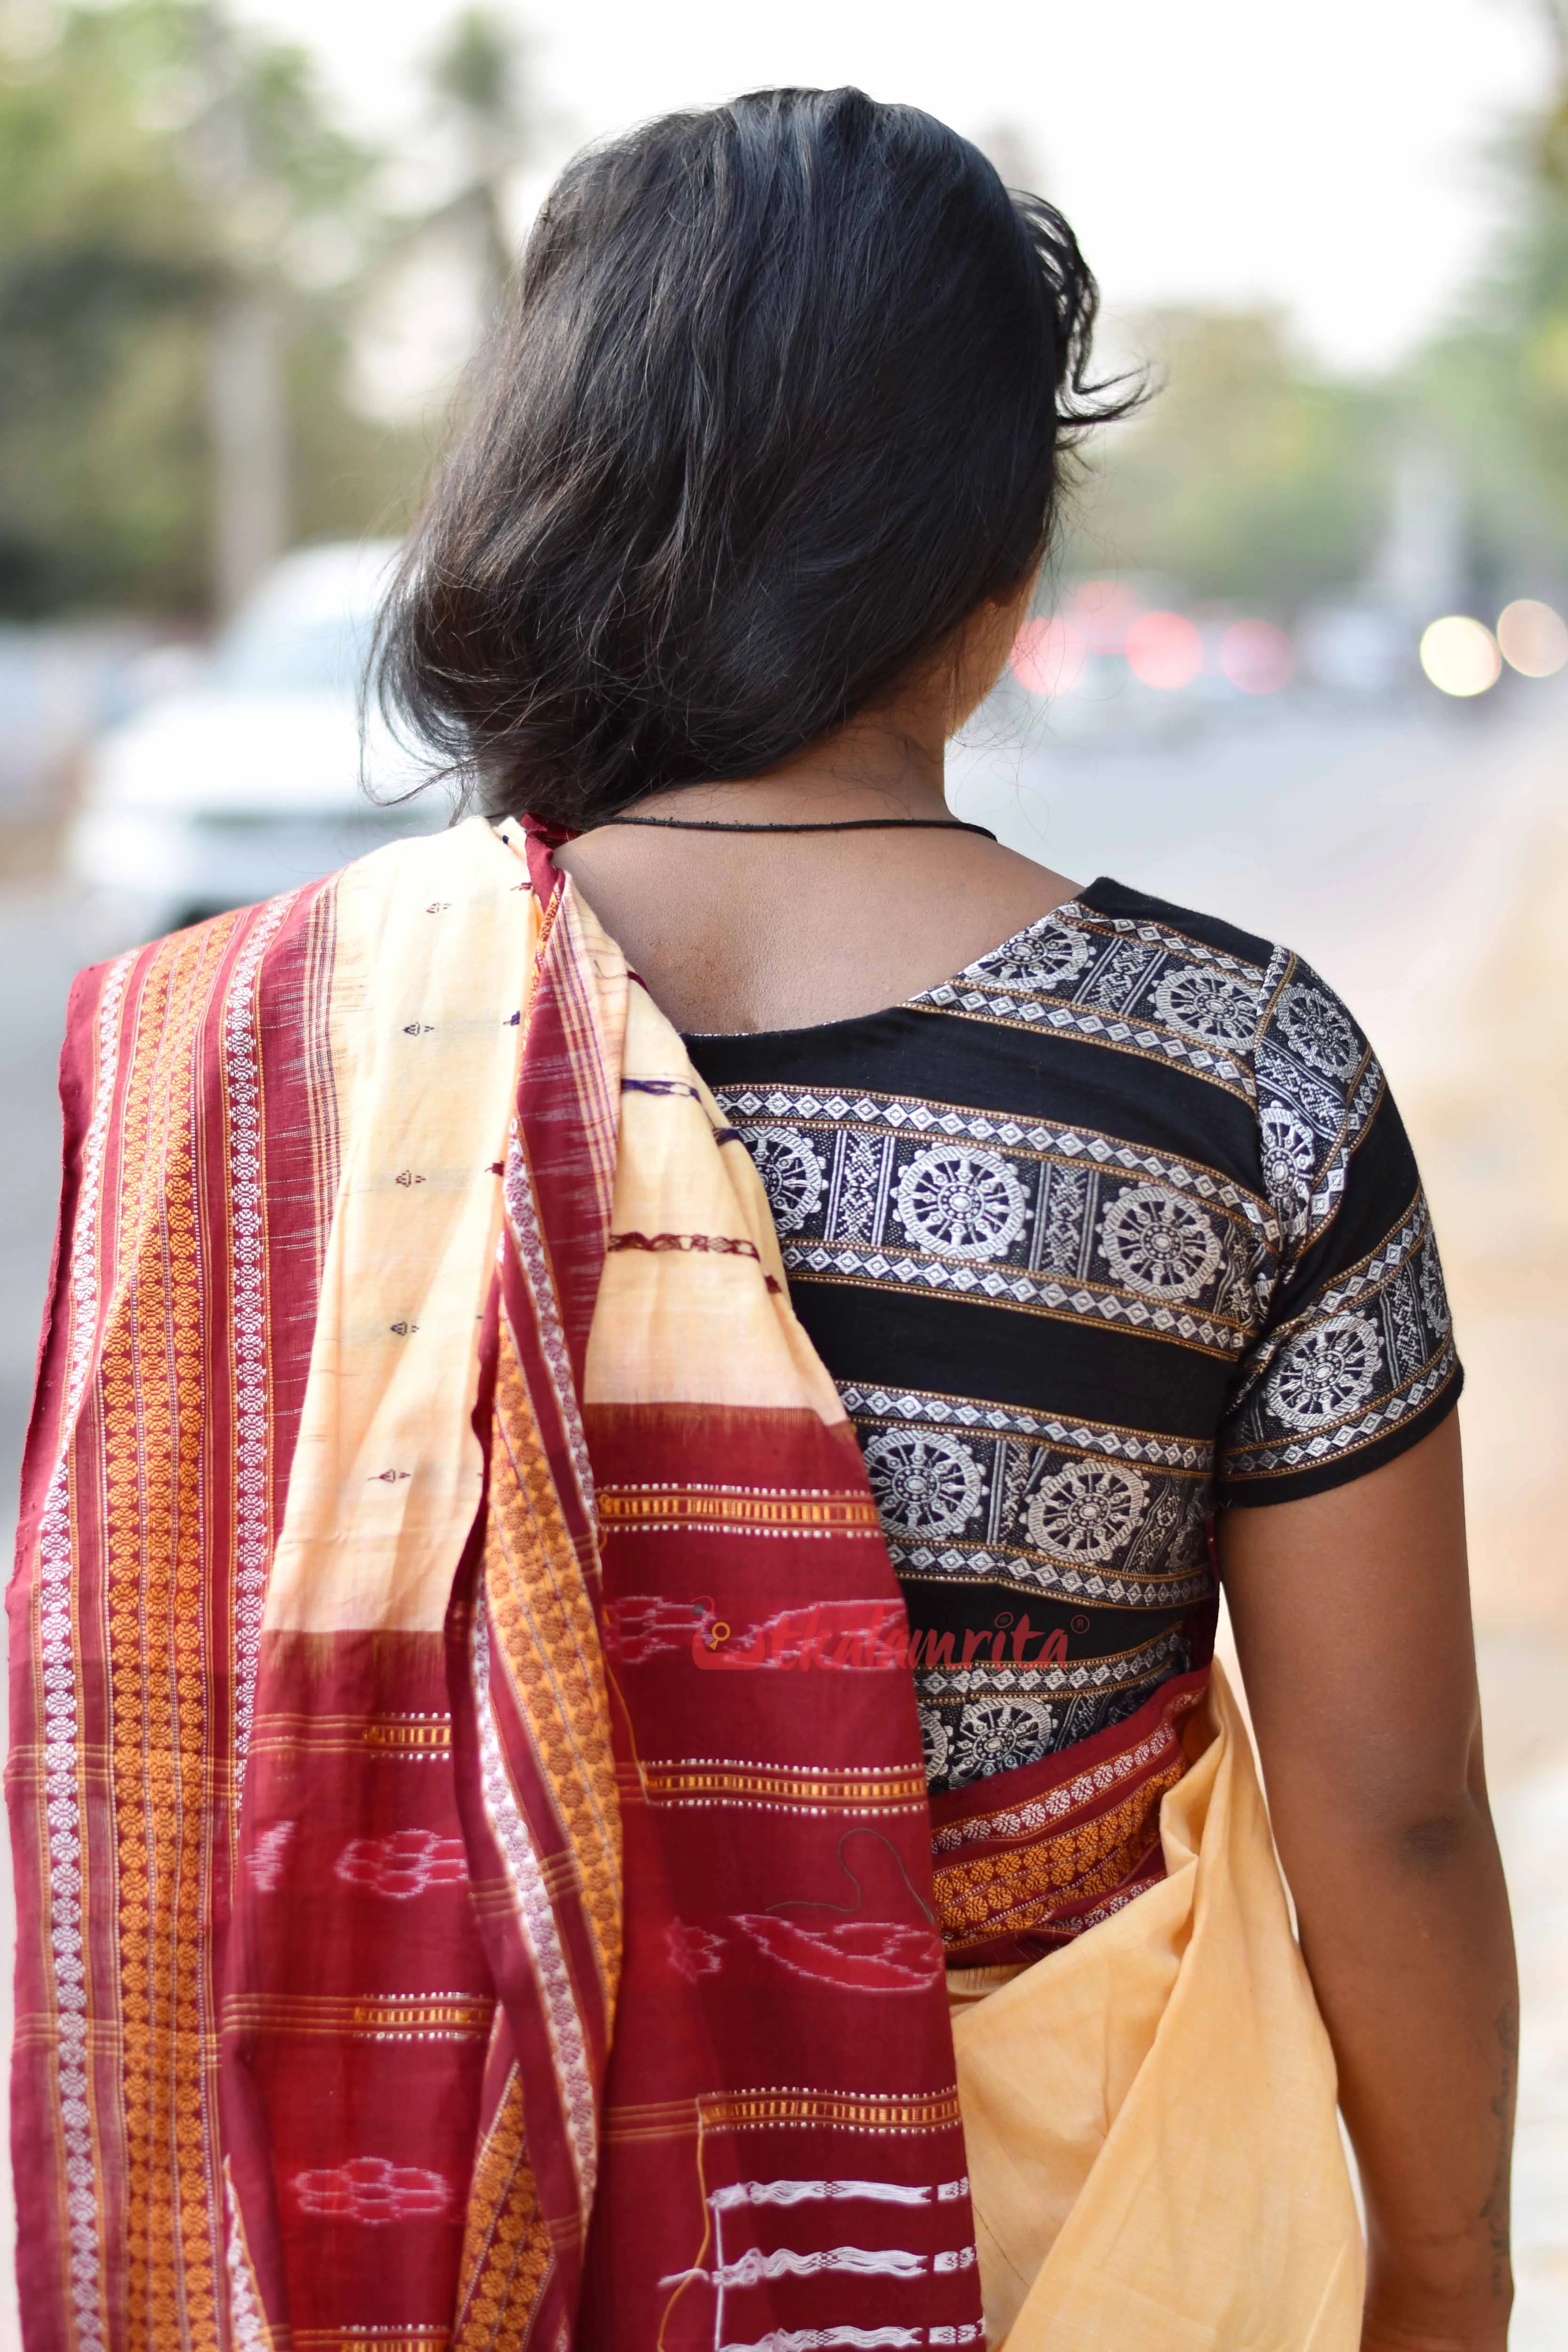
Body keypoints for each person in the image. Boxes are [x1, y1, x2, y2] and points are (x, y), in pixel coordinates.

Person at [11, 87, 1512, 2352]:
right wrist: (1436, 2266)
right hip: (1081, 2251)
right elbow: (1386, 1819)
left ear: (534, 512)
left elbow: (157, 1757)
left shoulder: (244, 1047)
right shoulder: (1237, 1077)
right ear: (994, 577)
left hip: (408, 2246)